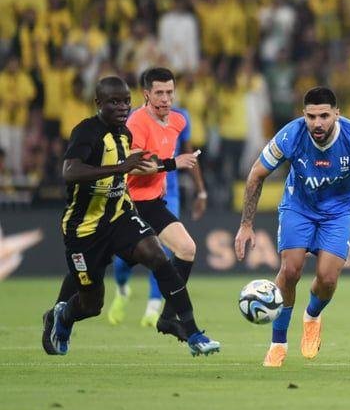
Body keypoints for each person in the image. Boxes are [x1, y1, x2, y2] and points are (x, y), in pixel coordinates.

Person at [41, 76, 219, 357]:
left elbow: (134, 167)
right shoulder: (86, 131)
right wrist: (120, 168)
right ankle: (62, 316)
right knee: (91, 304)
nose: (123, 107)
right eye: (114, 102)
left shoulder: (125, 134)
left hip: (119, 216)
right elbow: (70, 172)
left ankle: (193, 332)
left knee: (158, 256)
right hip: (84, 228)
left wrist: (164, 169)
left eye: (125, 101)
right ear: (98, 103)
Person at [234, 86, 350, 367]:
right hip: (299, 206)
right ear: (303, 115)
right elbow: (256, 174)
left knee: (327, 279)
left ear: (336, 114)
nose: (317, 123)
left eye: (324, 116)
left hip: (339, 212)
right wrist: (246, 224)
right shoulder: (290, 135)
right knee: (290, 270)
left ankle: (312, 316)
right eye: (311, 117)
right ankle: (278, 344)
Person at [108, 67, 206, 342]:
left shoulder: (178, 121)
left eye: (169, 92)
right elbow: (135, 165)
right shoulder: (136, 122)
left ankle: (165, 315)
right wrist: (171, 164)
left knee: (185, 249)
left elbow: (176, 154)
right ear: (147, 94)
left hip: (154, 202)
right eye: (159, 93)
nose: (165, 98)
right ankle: (68, 312)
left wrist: (197, 190)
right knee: (118, 266)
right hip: (126, 205)